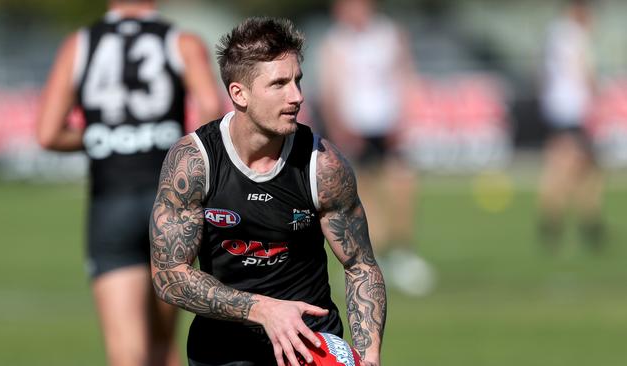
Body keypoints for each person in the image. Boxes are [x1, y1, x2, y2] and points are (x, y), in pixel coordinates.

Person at [149, 17, 386, 366]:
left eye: (298, 81)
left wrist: (368, 356)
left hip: (311, 345)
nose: (297, 97)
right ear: (239, 93)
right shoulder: (194, 162)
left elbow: (360, 265)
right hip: (224, 349)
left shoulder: (322, 164)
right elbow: (169, 276)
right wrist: (263, 309)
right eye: (279, 84)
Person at [36, 1, 223, 365]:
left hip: (111, 201)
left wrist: (107, 135)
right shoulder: (181, 41)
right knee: (163, 345)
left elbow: (48, 134)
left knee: (126, 352)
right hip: (170, 202)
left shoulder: (80, 44)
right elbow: (212, 113)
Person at [318, 0, 433, 296]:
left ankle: (402, 248)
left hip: (388, 122)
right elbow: (330, 88)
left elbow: (405, 75)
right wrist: (339, 126)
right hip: (355, 125)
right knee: (364, 192)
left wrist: (406, 117)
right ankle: (377, 253)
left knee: (402, 184)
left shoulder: (389, 34)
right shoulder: (335, 42)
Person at [538, 0, 604, 250]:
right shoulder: (574, 34)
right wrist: (597, 94)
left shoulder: (555, 32)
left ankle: (577, 224)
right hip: (572, 109)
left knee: (576, 169)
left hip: (557, 107)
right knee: (571, 170)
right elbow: (583, 70)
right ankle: (562, 225)